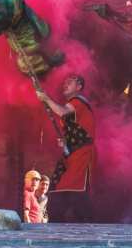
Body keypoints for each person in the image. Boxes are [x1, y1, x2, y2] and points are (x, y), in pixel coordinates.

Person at [35, 73, 95, 222]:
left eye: (71, 81)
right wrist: (66, 141)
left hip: (81, 155)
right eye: (65, 82)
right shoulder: (73, 105)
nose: (65, 84)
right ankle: (59, 224)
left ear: (79, 87)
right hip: (72, 156)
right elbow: (76, 130)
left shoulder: (78, 101)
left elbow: (62, 112)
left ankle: (86, 227)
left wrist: (46, 99)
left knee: (74, 193)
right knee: (61, 191)